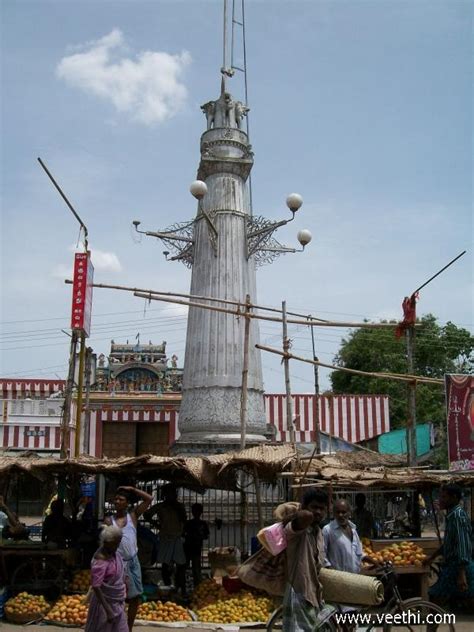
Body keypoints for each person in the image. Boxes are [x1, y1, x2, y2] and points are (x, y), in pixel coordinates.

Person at [105, 485, 152, 632]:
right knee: (116, 598)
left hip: (132, 562)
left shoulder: (133, 516)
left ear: (127, 503)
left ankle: (128, 628)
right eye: (116, 499)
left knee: (135, 597)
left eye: (121, 499)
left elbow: (149, 499)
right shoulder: (109, 520)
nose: (117, 501)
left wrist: (132, 489)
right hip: (117, 563)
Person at [282, 489, 328, 632]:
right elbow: (304, 517)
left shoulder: (318, 532)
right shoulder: (297, 530)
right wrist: (298, 511)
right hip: (298, 593)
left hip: (314, 594)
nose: (318, 512)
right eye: (314, 507)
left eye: (322, 508)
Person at [427, 484, 474, 609]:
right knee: (438, 601)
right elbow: (448, 544)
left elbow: (462, 544)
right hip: (454, 566)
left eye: (444, 497)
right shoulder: (452, 516)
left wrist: (461, 573)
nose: (440, 500)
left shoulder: (457, 516)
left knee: (436, 600)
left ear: (453, 498)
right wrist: (432, 557)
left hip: (457, 567)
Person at [85, 525, 128, 632]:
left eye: (119, 543)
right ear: (107, 542)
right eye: (116, 543)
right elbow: (96, 586)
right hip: (105, 605)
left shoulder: (113, 554)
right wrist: (108, 610)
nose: (118, 546)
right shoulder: (100, 560)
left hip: (117, 603)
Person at [147, 484, 187, 596]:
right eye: (169, 493)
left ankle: (181, 588)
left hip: (177, 537)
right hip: (165, 537)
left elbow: (184, 520)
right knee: (165, 564)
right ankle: (168, 587)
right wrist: (157, 525)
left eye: (173, 493)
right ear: (165, 495)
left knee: (180, 565)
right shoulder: (160, 506)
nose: (171, 495)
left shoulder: (179, 506)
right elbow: (147, 515)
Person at [323, 499, 378, 574]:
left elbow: (359, 553)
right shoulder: (328, 530)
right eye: (338, 512)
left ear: (349, 513)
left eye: (343, 512)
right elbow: (323, 555)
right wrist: (331, 573)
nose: (340, 515)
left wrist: (374, 562)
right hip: (337, 579)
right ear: (334, 513)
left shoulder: (353, 530)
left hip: (354, 578)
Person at [184, 503, 209, 587]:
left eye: (197, 511)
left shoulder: (203, 524)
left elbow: (206, 535)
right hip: (187, 548)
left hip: (196, 549)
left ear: (201, 512)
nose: (196, 512)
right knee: (184, 568)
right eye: (195, 510)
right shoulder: (189, 523)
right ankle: (183, 586)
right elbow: (183, 534)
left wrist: (199, 536)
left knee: (196, 569)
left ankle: (197, 587)